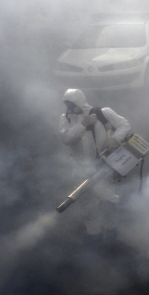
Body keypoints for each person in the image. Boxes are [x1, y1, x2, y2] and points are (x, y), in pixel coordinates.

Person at [59, 89, 132, 243]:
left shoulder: (103, 113)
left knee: (108, 199)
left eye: (71, 104)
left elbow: (124, 125)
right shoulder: (66, 119)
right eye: (67, 104)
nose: (69, 108)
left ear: (79, 101)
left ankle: (112, 231)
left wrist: (116, 139)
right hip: (80, 170)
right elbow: (66, 139)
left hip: (102, 167)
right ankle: (94, 235)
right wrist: (83, 125)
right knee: (87, 205)